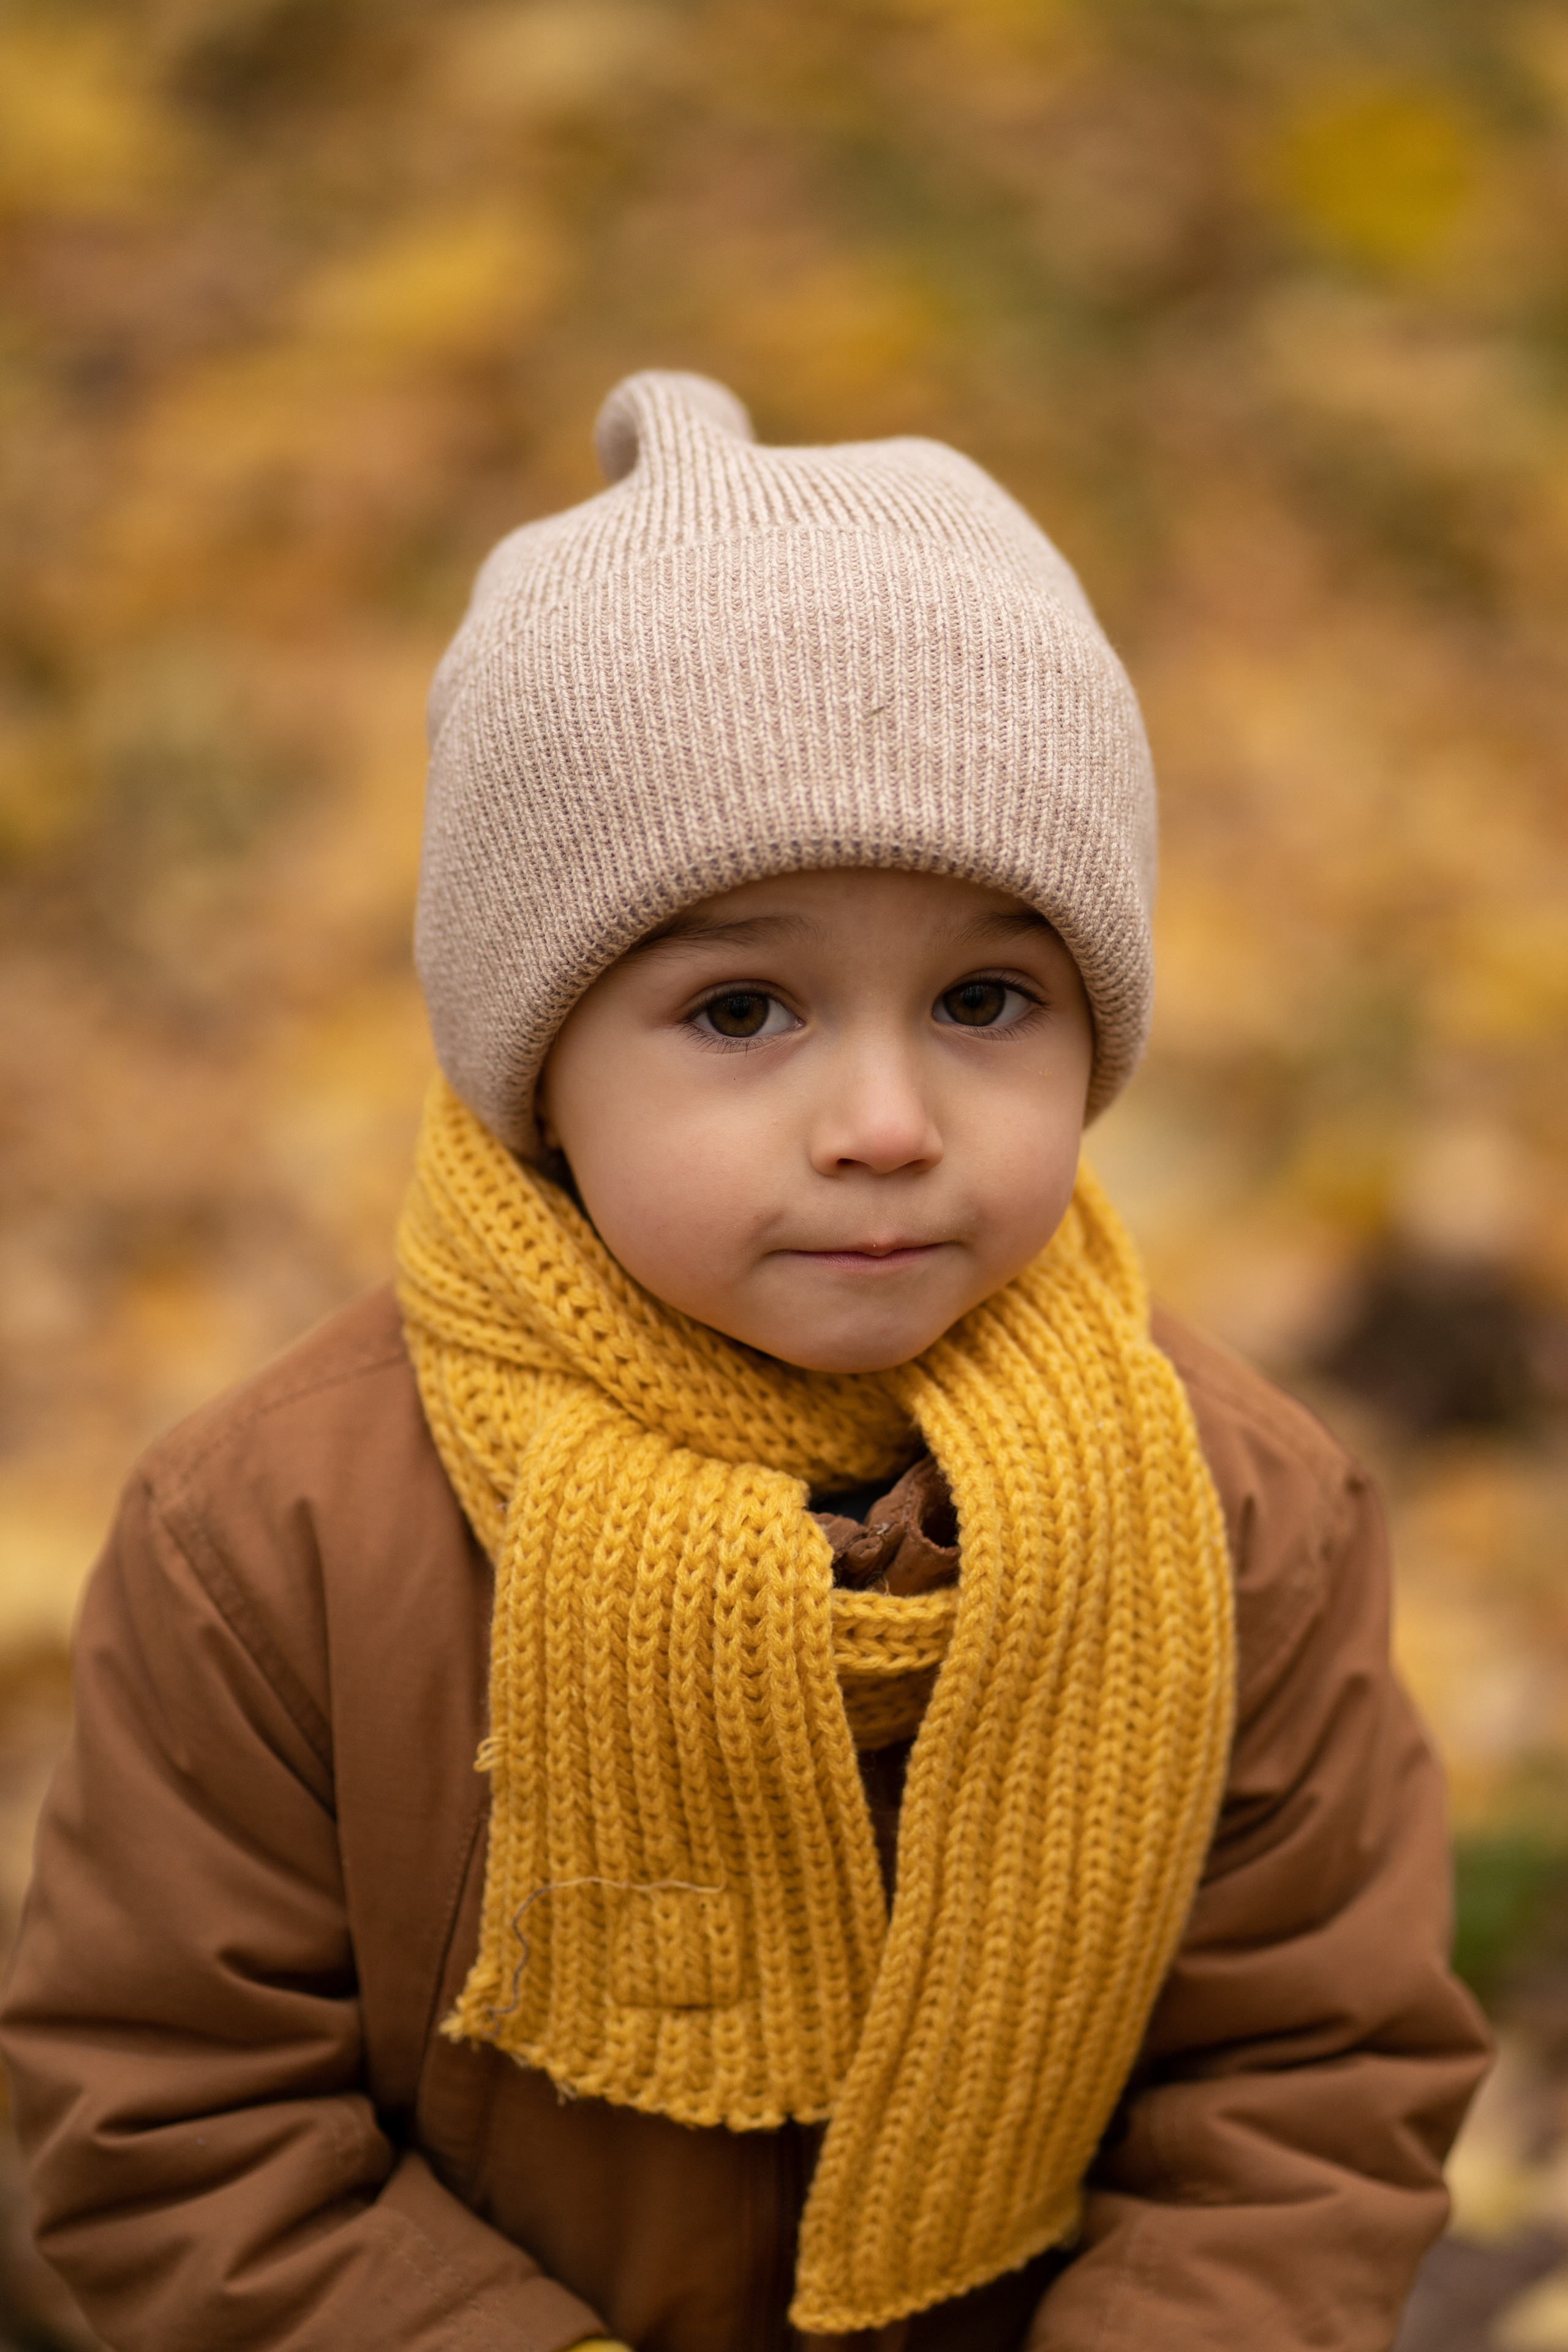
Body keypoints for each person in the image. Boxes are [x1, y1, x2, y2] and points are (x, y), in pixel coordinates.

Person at [0, 372, 1488, 2352]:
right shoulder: (271, 1541)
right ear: (537, 1065)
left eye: (983, 997)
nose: (884, 1119)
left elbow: (1306, 2083)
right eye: (741, 1008)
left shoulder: (1236, 1513)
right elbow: (172, 2124)